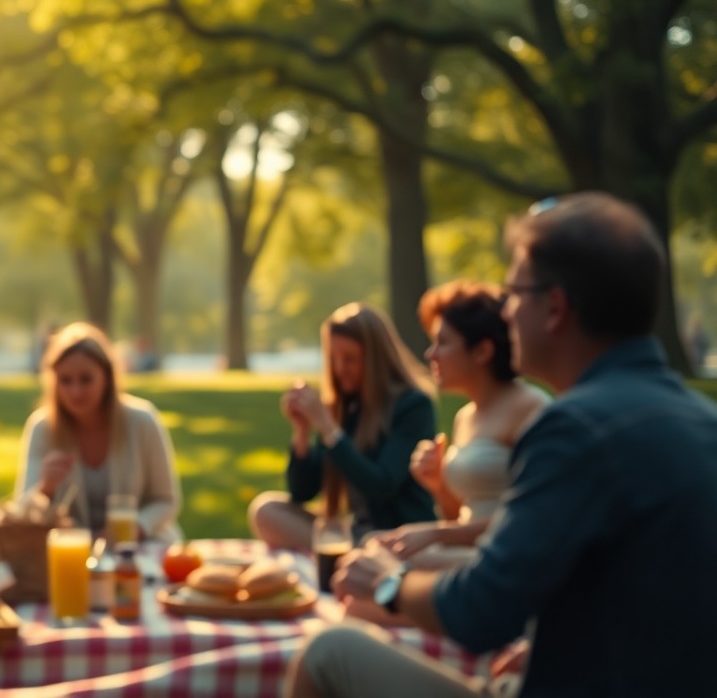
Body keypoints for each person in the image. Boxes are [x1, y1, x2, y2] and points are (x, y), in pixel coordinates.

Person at [293, 193, 717, 698]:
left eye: (514, 293)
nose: (507, 311)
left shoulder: (575, 429)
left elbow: (480, 612)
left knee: (329, 652)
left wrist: (387, 582)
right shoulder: (700, 419)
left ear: (555, 308)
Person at [375, 280, 548, 569]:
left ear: (482, 351)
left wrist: (435, 534)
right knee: (373, 547)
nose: (431, 354)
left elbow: (536, 516)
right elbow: (459, 518)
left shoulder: (529, 408)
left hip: (507, 561)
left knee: (377, 568)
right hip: (469, 555)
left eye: (442, 342)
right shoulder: (465, 417)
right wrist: (439, 485)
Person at [249, 303, 437, 549]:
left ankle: (347, 560)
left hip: (400, 538)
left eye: (350, 359)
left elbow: (381, 486)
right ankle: (344, 557)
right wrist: (302, 431)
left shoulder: (413, 406)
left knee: (358, 542)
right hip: (357, 535)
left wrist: (329, 430)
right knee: (266, 511)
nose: (339, 369)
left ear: (375, 360)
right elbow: (302, 492)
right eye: (333, 358)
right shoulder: (344, 407)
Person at [14, 322, 182, 542]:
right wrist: (46, 488)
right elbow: (22, 512)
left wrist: (137, 527)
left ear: (107, 377)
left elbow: (166, 500)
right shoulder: (43, 428)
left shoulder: (142, 421)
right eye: (65, 380)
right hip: (68, 552)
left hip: (137, 549)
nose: (76, 391)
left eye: (86, 379)